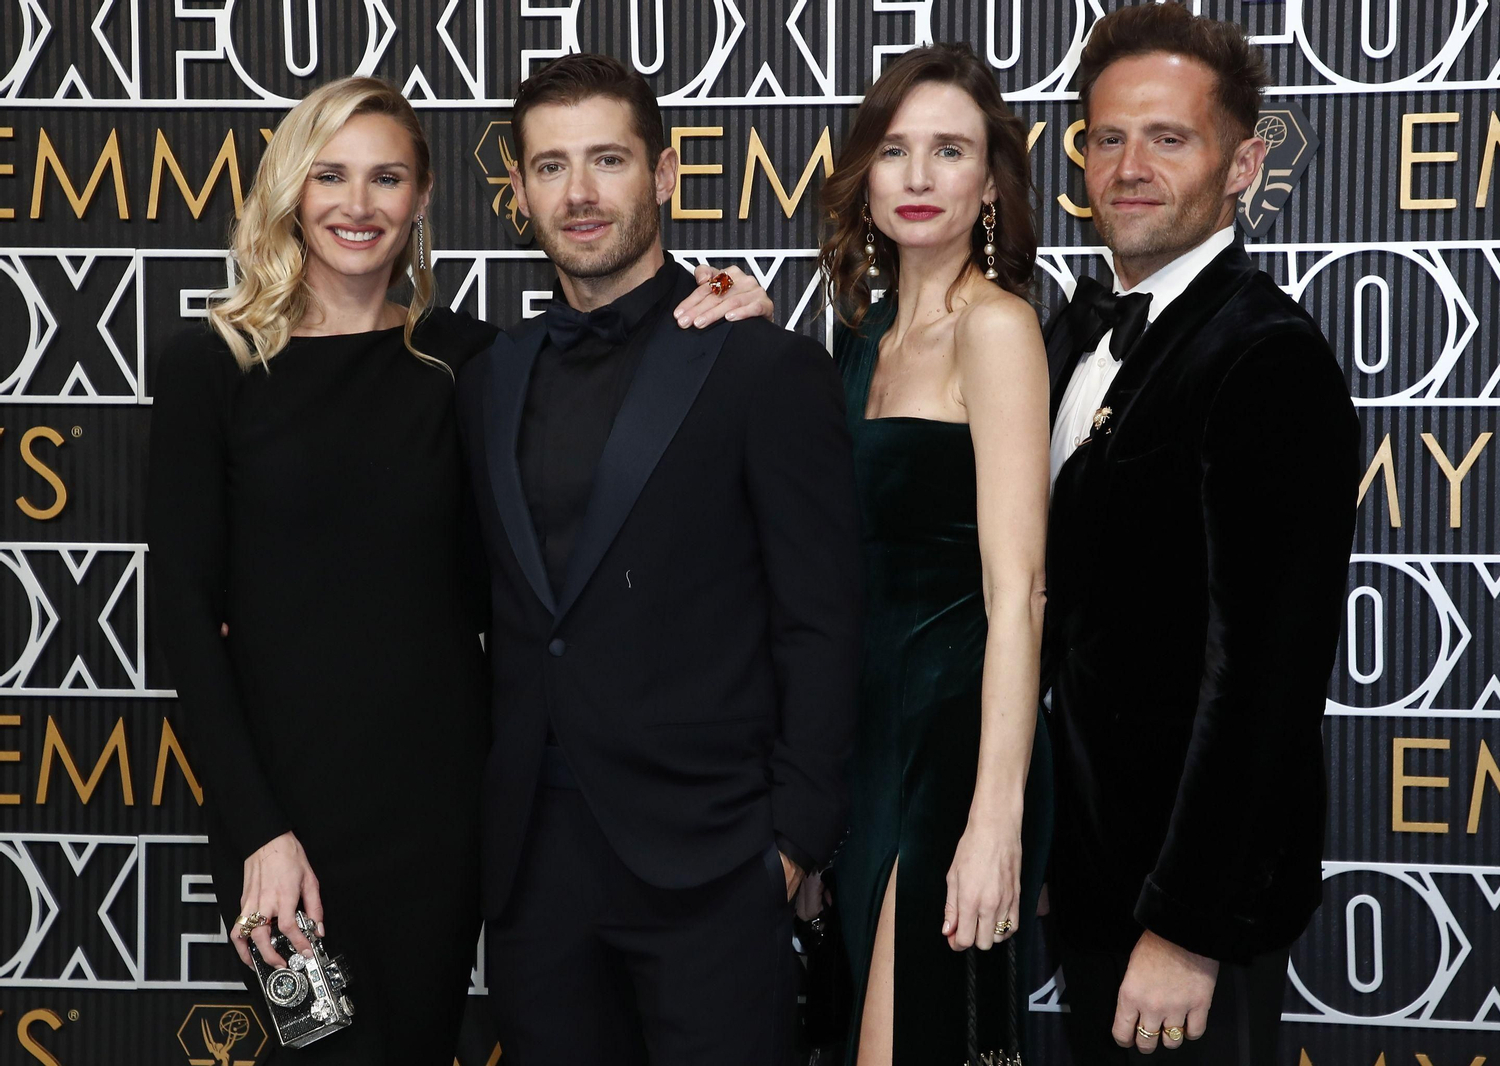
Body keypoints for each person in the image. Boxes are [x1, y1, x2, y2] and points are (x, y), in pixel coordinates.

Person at [456, 52, 862, 1065]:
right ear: (517, 191)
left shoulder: (762, 366)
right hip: (533, 873)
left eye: (607, 160)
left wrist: (790, 844)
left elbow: (822, 616)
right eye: (549, 167)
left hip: (713, 862)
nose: (580, 193)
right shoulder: (485, 378)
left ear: (667, 174)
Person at [147, 77, 499, 1064]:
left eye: (386, 177)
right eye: (330, 175)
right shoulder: (211, 365)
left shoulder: (465, 360)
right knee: (322, 1047)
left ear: (423, 197)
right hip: (280, 824)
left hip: (436, 817)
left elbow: (619, 365)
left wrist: (718, 308)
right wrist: (259, 831)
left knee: (417, 1046)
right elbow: (181, 606)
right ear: (292, 191)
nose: (357, 204)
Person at [1041, 6, 1360, 1063]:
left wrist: (1185, 925)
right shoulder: (1064, 336)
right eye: (1107, 138)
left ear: (1243, 163)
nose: (1130, 166)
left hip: (1179, 920)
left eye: (1169, 138)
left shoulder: (1266, 357)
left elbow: (1265, 681)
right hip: (1084, 887)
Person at [816, 43, 1054, 1066]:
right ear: (862, 176)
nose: (916, 177)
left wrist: (993, 821)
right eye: (895, 149)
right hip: (863, 753)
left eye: (948, 150)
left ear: (989, 184)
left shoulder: (994, 330)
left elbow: (1022, 592)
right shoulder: (861, 340)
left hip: (953, 756)